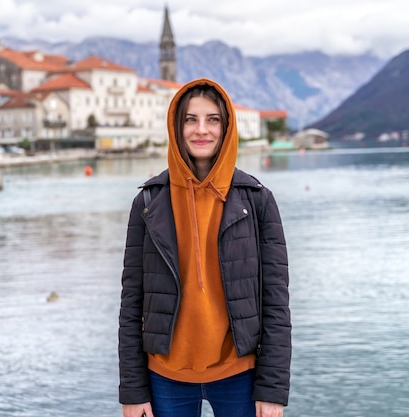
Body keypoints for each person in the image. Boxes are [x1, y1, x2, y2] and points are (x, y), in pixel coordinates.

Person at [118, 78, 291, 417]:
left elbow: (276, 303)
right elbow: (131, 302)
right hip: (165, 377)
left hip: (239, 374)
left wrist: (272, 390)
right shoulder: (148, 203)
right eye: (190, 119)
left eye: (213, 119)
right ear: (176, 126)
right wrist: (133, 391)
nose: (202, 130)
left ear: (226, 128)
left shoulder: (257, 201)